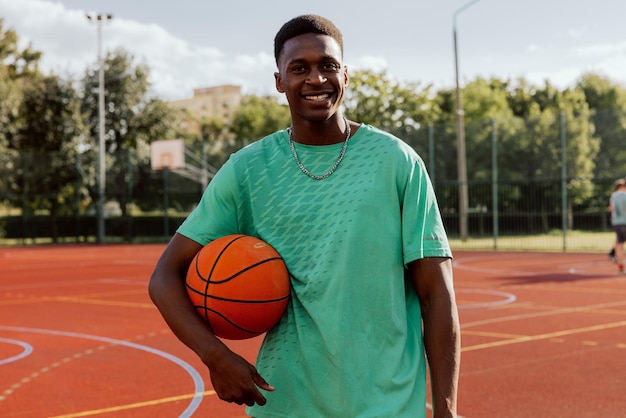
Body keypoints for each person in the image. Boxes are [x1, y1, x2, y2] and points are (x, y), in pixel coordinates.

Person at [149, 14, 460, 418]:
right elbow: (164, 277)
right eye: (299, 68)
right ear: (279, 80)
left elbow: (437, 296)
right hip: (286, 403)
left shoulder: (396, 162)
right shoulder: (247, 170)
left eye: (327, 66)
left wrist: (448, 410)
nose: (316, 79)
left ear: (345, 75)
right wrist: (215, 355)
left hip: (388, 404)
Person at [609, 178, 626, 274]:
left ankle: (621, 267)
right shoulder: (625, 196)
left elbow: (611, 209)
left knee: (619, 245)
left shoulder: (613, 196)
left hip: (616, 223)